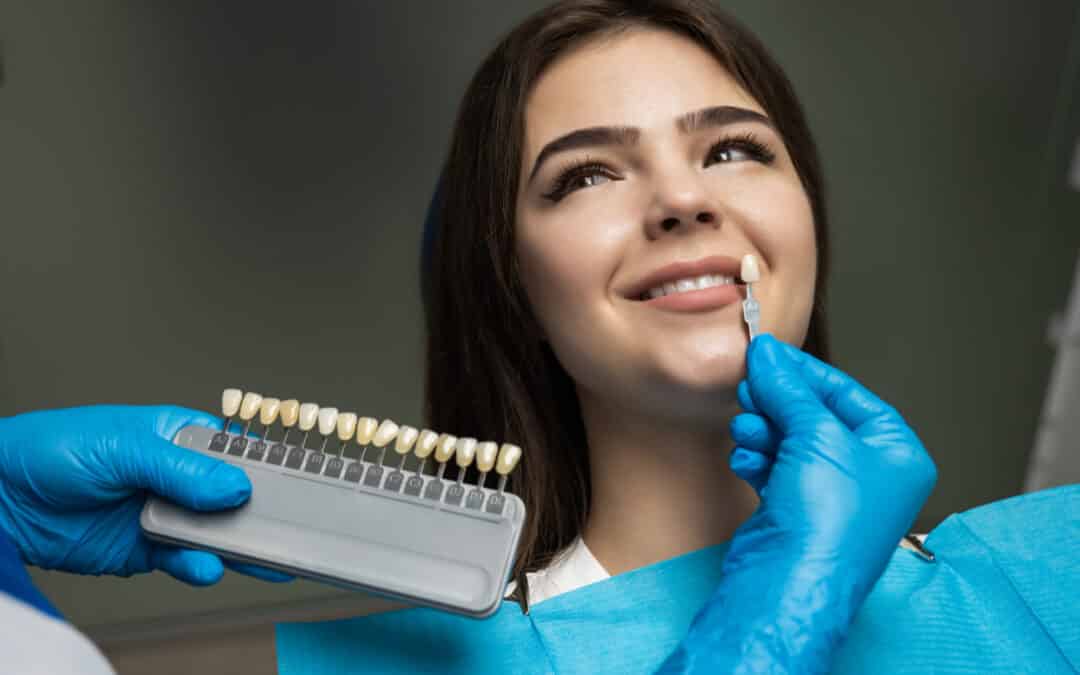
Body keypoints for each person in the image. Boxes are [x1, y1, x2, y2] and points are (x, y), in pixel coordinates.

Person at [3, 1, 1077, 673]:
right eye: (589, 175)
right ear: (511, 284)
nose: (680, 202)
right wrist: (777, 619)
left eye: (735, 151)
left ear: (808, 221)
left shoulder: (1049, 566)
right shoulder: (401, 667)